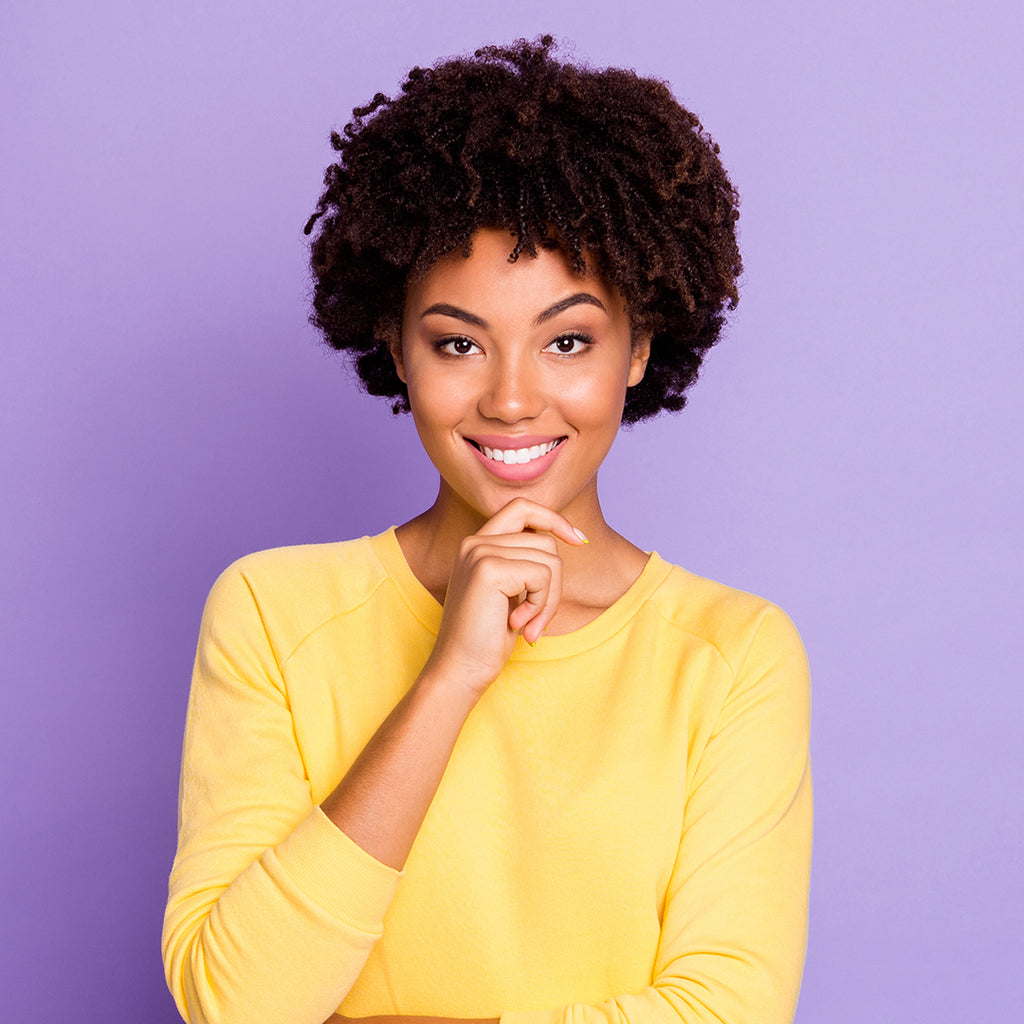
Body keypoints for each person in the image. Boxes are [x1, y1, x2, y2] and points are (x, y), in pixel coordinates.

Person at [162, 35, 812, 1024]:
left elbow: (729, 1010)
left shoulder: (729, 653)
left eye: (567, 340)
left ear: (638, 348)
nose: (511, 399)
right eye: (458, 342)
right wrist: (449, 676)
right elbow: (234, 1003)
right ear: (396, 346)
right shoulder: (271, 612)